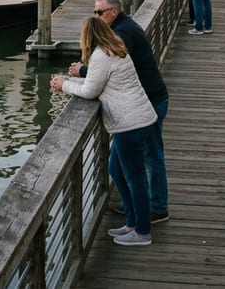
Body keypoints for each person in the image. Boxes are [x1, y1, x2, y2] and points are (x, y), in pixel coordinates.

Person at [51, 17, 158, 246]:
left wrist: (64, 85)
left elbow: (90, 91)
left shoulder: (101, 56)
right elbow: (96, 82)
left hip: (131, 124)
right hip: (137, 119)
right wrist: (69, 79)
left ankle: (142, 232)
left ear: (88, 36)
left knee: (135, 178)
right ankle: (132, 223)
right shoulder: (114, 50)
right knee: (116, 170)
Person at [69, 0, 171, 224]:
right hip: (141, 104)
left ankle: (157, 209)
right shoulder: (122, 28)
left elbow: (110, 66)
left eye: (99, 12)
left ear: (114, 12)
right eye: (94, 12)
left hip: (148, 103)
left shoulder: (123, 33)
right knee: (121, 165)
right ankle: (137, 210)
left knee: (152, 158)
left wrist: (81, 73)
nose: (96, 16)